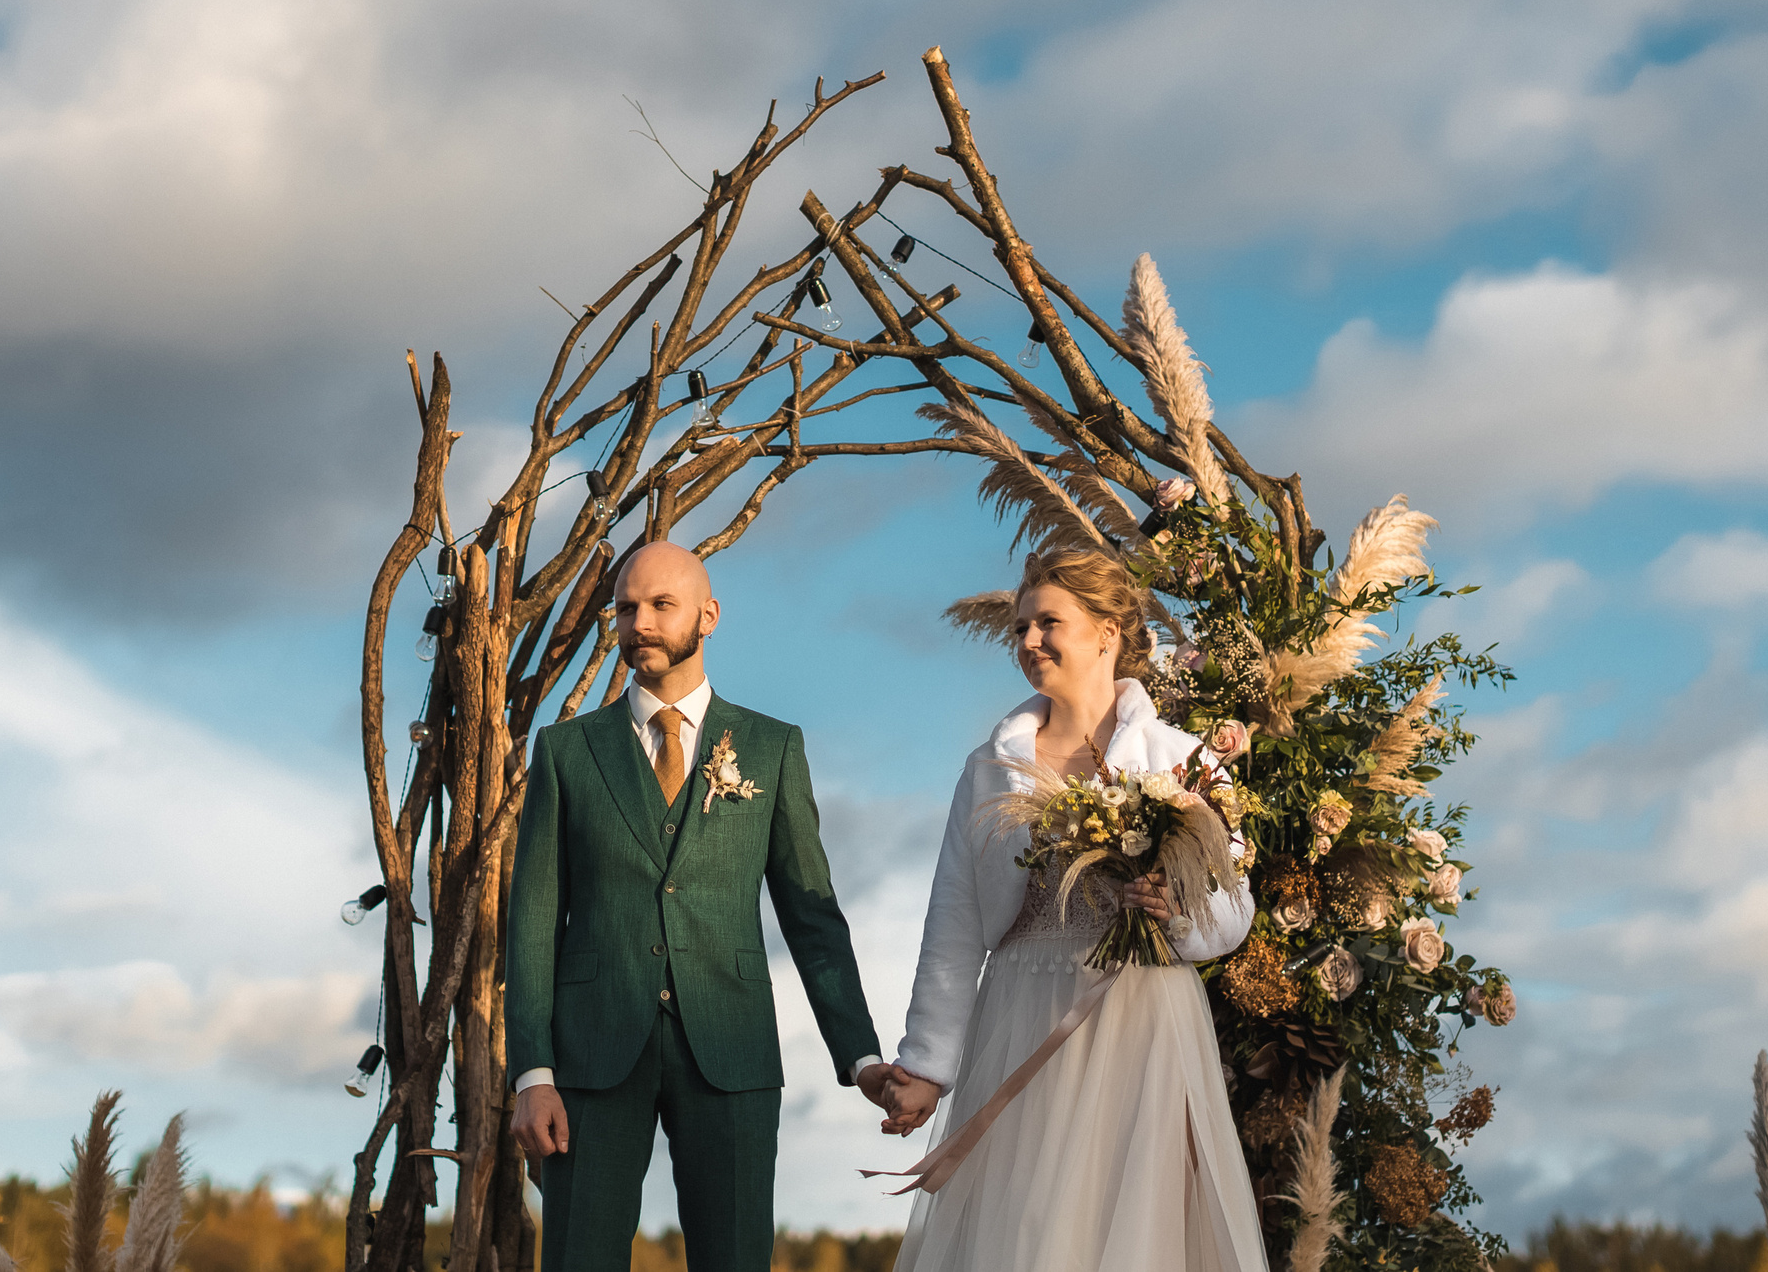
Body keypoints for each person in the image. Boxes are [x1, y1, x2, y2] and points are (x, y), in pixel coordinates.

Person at [859, 547, 1268, 1272]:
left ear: (1109, 630)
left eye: (1048, 622)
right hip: (1020, 1017)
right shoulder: (990, 767)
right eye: (1021, 628)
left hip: (1143, 1024)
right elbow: (953, 919)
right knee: (1025, 1238)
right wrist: (926, 1062)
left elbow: (1232, 911)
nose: (1027, 642)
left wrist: (1174, 909)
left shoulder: (1182, 759)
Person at [506, 540, 885, 1272]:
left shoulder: (773, 748)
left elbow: (811, 915)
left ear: (708, 615)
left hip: (733, 1048)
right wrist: (534, 1073)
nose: (637, 621)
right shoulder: (565, 750)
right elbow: (532, 921)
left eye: (659, 604)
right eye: (623, 608)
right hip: (587, 1056)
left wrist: (861, 1053)